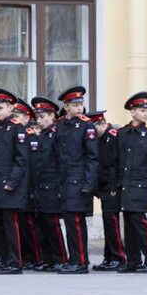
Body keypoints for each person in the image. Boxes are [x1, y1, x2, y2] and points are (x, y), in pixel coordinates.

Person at [0, 89, 29, 275]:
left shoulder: (17, 128)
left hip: (10, 186)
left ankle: (15, 262)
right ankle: (3, 258)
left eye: (0, 107)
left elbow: (21, 159)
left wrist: (12, 182)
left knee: (11, 225)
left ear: (11, 107)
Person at [117, 92, 147, 273]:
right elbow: (118, 161)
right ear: (133, 112)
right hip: (126, 185)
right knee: (128, 221)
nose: (145, 114)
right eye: (142, 110)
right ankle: (133, 260)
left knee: (139, 221)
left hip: (141, 185)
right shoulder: (123, 133)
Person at [55, 86, 98, 274]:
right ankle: (75, 258)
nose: (79, 108)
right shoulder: (61, 124)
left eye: (81, 104)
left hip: (78, 179)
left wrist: (89, 182)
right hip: (64, 179)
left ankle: (80, 262)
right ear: (66, 106)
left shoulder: (86, 125)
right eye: (75, 105)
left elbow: (92, 156)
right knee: (70, 221)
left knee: (76, 221)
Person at [28, 97, 65, 272]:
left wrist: (59, 187)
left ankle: (60, 258)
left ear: (52, 116)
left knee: (53, 225)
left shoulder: (56, 135)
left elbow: (61, 162)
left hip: (52, 186)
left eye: (43, 117)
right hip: (41, 187)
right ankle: (48, 259)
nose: (40, 120)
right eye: (38, 117)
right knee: (42, 225)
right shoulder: (42, 136)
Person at [89, 110, 124, 272]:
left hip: (112, 188)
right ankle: (109, 256)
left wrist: (113, 187)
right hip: (104, 188)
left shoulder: (113, 137)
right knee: (107, 223)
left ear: (101, 123)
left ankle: (118, 257)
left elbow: (116, 165)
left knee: (113, 223)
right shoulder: (101, 138)